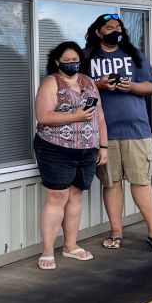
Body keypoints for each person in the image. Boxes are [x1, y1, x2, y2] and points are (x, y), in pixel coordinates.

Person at [81, 14, 152, 251]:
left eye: (118, 27)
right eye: (109, 27)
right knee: (111, 184)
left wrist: (130, 86)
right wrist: (97, 85)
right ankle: (116, 232)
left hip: (136, 130)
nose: (115, 31)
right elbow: (77, 89)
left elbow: (151, 87)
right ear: (99, 31)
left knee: (141, 182)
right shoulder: (87, 56)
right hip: (102, 132)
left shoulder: (134, 54)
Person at [33, 42, 108, 269]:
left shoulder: (89, 82)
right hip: (55, 148)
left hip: (86, 150)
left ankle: (70, 245)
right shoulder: (51, 83)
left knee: (76, 195)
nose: (71, 64)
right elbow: (43, 116)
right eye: (66, 61)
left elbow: (100, 116)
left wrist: (103, 146)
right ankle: (47, 251)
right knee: (57, 197)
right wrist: (75, 116)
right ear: (57, 62)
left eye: (75, 60)